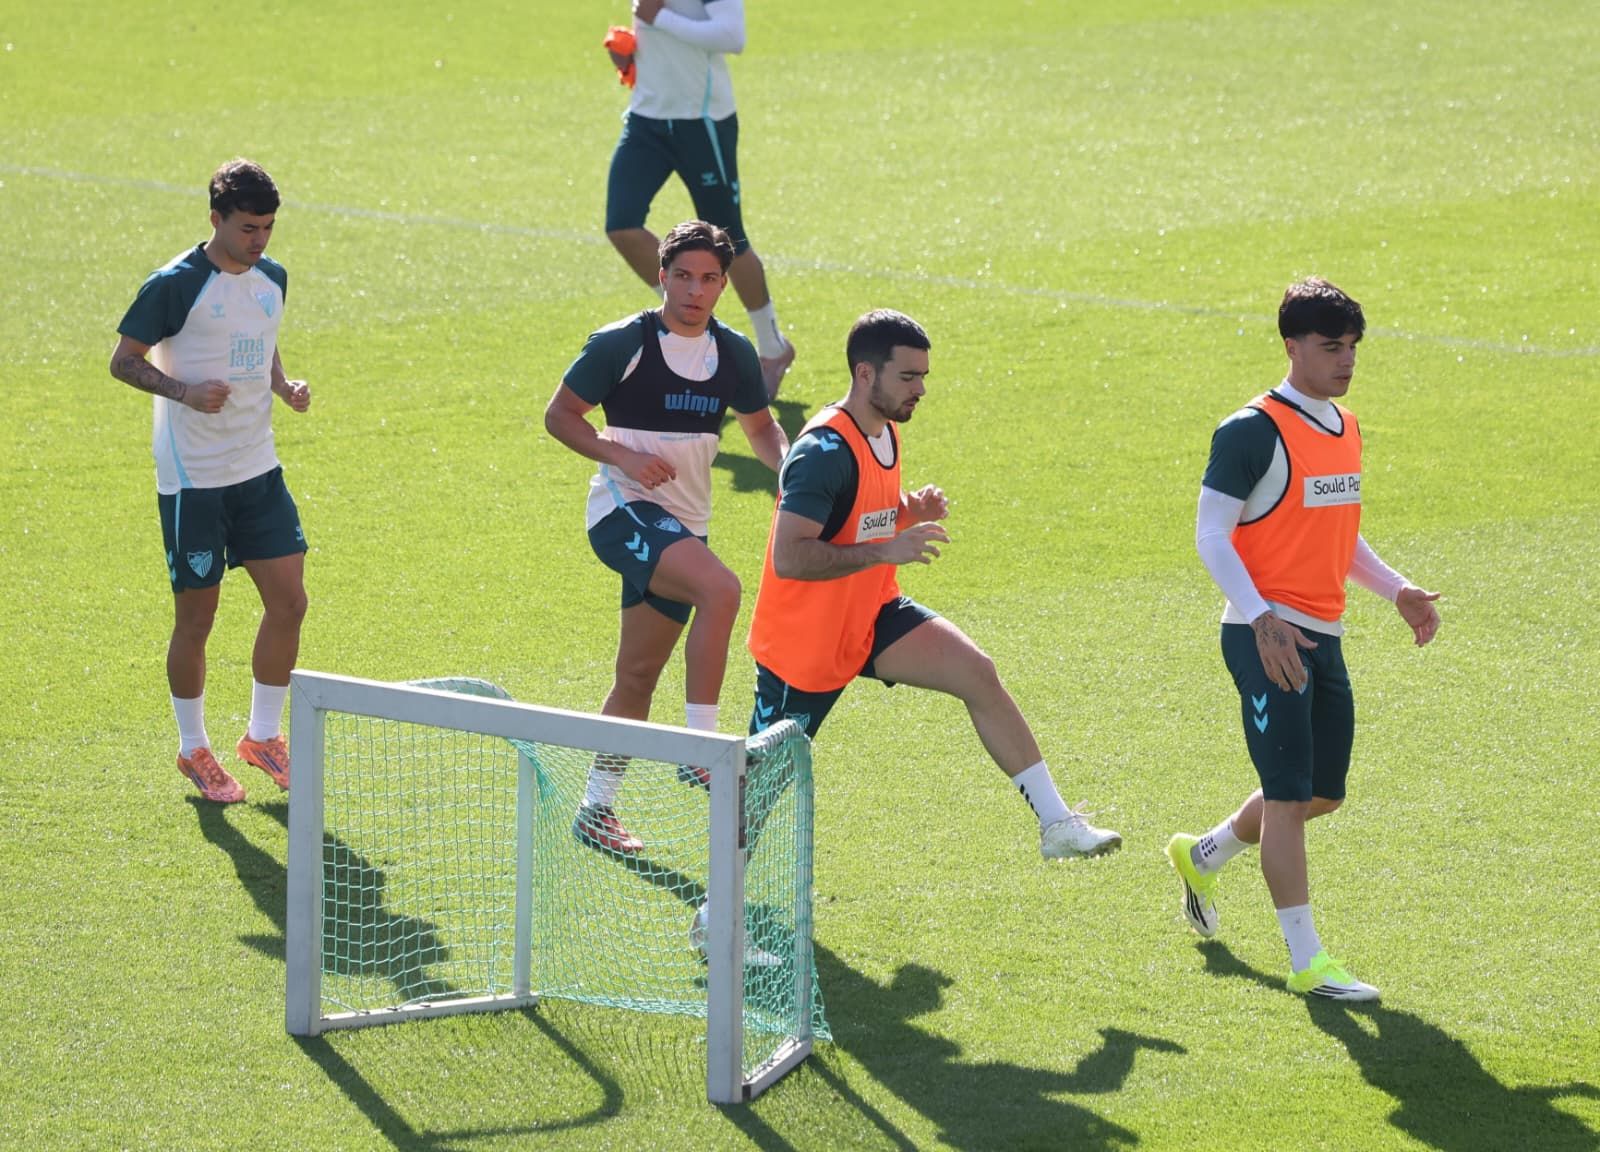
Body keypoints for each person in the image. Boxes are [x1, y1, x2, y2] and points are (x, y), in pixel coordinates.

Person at [745, 309, 1121, 860]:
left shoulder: (885, 431)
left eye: (923, 376)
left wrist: (906, 510)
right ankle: (717, 904)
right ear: (865, 373)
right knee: (757, 787)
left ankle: (1057, 824)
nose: (920, 389)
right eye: (908, 376)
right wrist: (887, 549)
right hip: (805, 646)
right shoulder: (821, 454)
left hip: (869, 614)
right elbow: (790, 557)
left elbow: (855, 515)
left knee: (977, 672)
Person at [1167, 277, 1441, 1001]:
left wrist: (1397, 589)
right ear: (1292, 347)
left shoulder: (1345, 427)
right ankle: (1308, 962)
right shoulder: (1250, 431)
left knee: (1320, 794)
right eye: (1331, 347)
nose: (1346, 360)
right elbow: (1211, 536)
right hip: (1264, 636)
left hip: (1323, 633)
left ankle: (1203, 855)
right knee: (1288, 798)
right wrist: (1261, 618)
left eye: (1352, 347)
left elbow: (1338, 534)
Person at [545, 219, 788, 855]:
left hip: (683, 527)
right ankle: (699, 748)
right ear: (662, 276)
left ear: (724, 285)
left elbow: (760, 429)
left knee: (637, 674)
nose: (694, 290)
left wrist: (794, 470)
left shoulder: (733, 353)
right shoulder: (621, 343)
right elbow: (560, 416)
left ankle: (595, 809)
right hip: (622, 511)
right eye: (682, 276)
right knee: (721, 590)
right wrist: (622, 457)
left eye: (709, 279)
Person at [110, 158, 311, 804]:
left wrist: (281, 384)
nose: (260, 240)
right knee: (198, 619)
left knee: (290, 602)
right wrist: (184, 392)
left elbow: (262, 336)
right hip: (193, 479)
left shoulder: (272, 278)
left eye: (268, 227)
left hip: (257, 469)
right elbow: (124, 361)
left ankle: (262, 737)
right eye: (248, 228)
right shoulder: (175, 285)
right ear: (216, 219)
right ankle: (194, 747)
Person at [601, 0, 796, 401]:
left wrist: (659, 18)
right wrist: (635, 50)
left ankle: (772, 349)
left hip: (702, 122)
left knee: (730, 241)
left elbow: (731, 37)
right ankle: (695, 327)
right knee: (621, 225)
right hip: (647, 118)